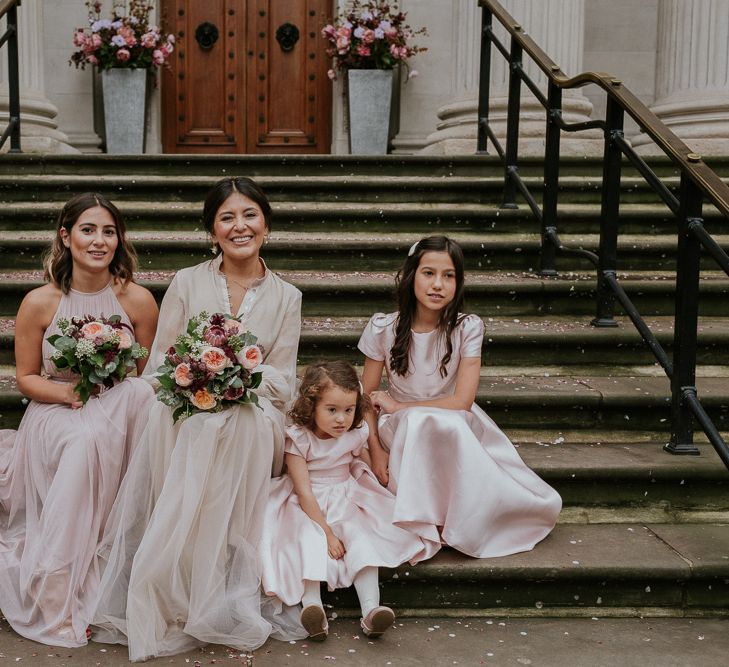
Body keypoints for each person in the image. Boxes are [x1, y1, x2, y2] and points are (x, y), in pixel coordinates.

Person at [92, 177, 304, 662]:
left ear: (266, 225)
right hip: (189, 397)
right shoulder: (187, 281)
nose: (239, 226)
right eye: (227, 217)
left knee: (234, 424)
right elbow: (163, 361)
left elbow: (284, 382)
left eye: (249, 215)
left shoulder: (287, 296)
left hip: (254, 411)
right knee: (188, 420)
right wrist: (201, 375)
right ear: (212, 232)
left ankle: (222, 586)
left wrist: (236, 370)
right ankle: (176, 584)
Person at [0, 193, 158, 647]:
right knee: (84, 439)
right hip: (55, 410)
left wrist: (102, 397)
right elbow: (28, 379)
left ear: (119, 240)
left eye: (109, 231)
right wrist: (73, 393)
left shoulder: (140, 301)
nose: (99, 240)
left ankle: (104, 572)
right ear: (66, 237)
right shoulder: (40, 302)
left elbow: (144, 375)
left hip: (119, 414)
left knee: (135, 400)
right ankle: (55, 583)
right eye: (88, 230)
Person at [358, 235, 562, 559]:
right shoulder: (383, 326)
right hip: (396, 426)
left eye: (448, 275)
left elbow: (463, 400)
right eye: (428, 273)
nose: (438, 284)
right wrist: (374, 450)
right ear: (412, 276)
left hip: (449, 416)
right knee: (415, 421)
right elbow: (366, 397)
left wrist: (403, 406)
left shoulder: (467, 328)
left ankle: (454, 520)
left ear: (458, 281)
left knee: (429, 421)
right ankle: (421, 520)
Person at [260, 361, 438, 641]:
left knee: (361, 539)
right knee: (309, 539)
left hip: (345, 495)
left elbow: (362, 459)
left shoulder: (355, 434)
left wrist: (377, 477)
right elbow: (304, 492)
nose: (341, 419)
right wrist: (328, 533)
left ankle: (371, 610)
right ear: (311, 406)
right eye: (331, 410)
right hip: (306, 504)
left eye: (348, 410)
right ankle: (313, 609)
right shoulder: (298, 439)